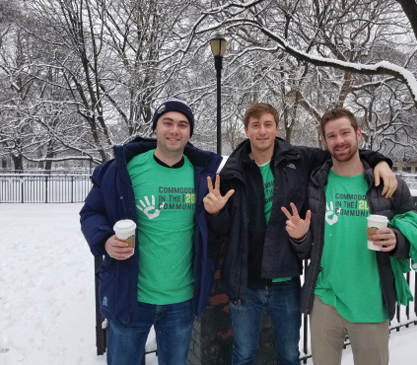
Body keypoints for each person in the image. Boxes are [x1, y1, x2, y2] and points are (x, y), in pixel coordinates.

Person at [203, 103, 397, 365]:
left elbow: (341, 151)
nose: (262, 131)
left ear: (277, 128)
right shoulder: (231, 171)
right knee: (244, 354)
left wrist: (380, 161)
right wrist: (216, 214)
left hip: (285, 279)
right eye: (256, 125)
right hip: (245, 281)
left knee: (289, 355)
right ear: (246, 130)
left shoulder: (298, 159)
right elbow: (225, 231)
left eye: (268, 124)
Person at [80, 98, 222, 365]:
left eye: (182, 125)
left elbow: (214, 229)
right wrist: (105, 239)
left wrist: (218, 214)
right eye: (167, 123)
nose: (174, 130)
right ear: (155, 128)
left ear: (189, 133)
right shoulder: (122, 171)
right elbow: (91, 213)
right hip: (132, 296)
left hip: (181, 300)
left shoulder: (203, 176)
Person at [281, 107, 415, 365]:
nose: (339, 141)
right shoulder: (316, 185)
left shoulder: (386, 183)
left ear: (358, 134)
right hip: (325, 301)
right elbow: (309, 250)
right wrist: (300, 238)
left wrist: (398, 240)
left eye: (345, 133)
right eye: (331, 136)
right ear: (324, 141)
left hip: (370, 303)